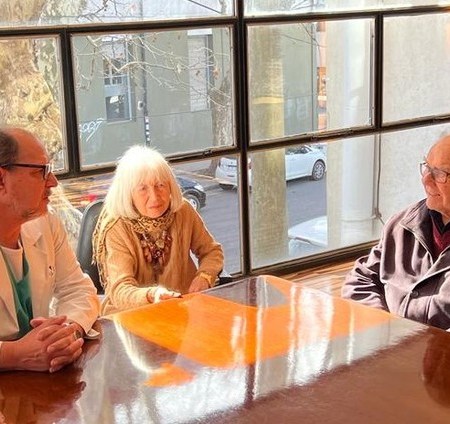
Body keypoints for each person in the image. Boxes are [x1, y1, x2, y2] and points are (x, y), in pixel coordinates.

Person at [0, 127, 99, 373]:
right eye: (41, 171)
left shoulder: (46, 222)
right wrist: (13, 355)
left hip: (44, 385)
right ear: (1, 181)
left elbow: (78, 289)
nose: (53, 182)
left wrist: (68, 332)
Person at [92, 145, 224, 315]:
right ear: (128, 193)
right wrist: (151, 296)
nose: (155, 197)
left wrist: (205, 277)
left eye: (160, 185)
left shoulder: (183, 210)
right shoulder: (116, 226)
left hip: (182, 308)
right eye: (143, 188)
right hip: (132, 314)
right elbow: (119, 290)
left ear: (170, 186)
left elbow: (212, 251)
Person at [342, 134, 450, 330]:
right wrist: (381, 327)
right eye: (427, 167)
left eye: (440, 174)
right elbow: (362, 279)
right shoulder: (402, 224)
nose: (426, 180)